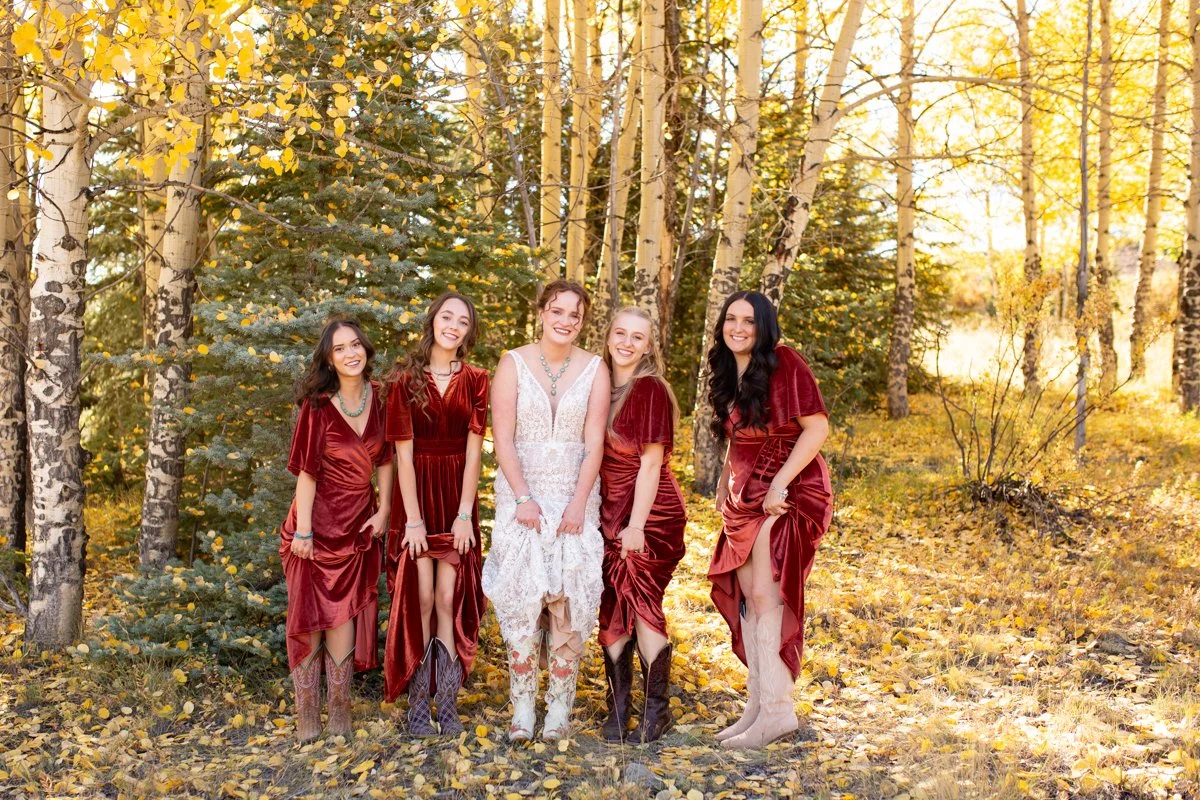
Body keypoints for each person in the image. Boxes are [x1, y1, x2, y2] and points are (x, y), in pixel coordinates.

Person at [481, 279, 610, 741]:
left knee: (568, 600)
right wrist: (522, 497)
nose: (566, 321)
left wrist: (578, 503)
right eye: (557, 311)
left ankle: (558, 711)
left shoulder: (595, 368)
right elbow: (503, 437)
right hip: (523, 496)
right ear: (541, 312)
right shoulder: (512, 363)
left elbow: (594, 443)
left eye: (575, 315)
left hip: (575, 497)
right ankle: (522, 709)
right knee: (523, 599)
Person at [705, 291, 832, 749]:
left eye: (749, 321)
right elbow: (737, 436)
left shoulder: (785, 362)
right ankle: (758, 705)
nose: (738, 328)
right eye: (731, 319)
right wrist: (724, 482)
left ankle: (778, 712)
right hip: (744, 492)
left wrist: (779, 484)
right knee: (748, 595)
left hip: (787, 488)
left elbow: (817, 427)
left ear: (764, 327)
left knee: (766, 592)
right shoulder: (728, 368)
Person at [280, 317, 392, 742]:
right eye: (340, 348)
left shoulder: (381, 398)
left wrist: (385, 510)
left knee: (344, 612)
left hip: (356, 523)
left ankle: (340, 710)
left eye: (355, 344)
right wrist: (304, 532)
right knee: (309, 615)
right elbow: (306, 473)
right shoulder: (319, 406)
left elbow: (386, 460)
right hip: (314, 525)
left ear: (366, 348)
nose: (350, 353)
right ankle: (308, 713)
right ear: (329, 359)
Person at [382, 293, 489, 736]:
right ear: (433, 321)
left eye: (462, 321)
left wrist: (464, 514)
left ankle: (446, 704)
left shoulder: (478, 379)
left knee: (447, 599)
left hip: (456, 499)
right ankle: (416, 706)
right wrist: (412, 520)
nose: (453, 326)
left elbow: (474, 452)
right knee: (421, 597)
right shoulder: (403, 380)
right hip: (416, 500)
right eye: (447, 317)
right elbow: (403, 457)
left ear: (468, 332)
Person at [597, 307, 687, 744]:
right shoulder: (601, 383)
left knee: (644, 602)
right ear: (608, 336)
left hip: (650, 513)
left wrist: (636, 526)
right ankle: (618, 710)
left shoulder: (649, 389)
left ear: (649, 346)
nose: (627, 343)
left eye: (638, 337)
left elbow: (651, 463)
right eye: (620, 333)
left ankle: (657, 713)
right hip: (609, 511)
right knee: (613, 604)